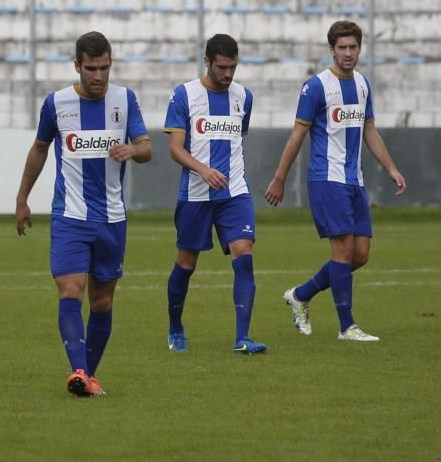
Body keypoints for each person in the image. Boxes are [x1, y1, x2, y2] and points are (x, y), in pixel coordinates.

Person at [15, 31, 152, 397]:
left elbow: (147, 148)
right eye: (91, 68)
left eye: (105, 68)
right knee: (70, 291)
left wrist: (132, 151)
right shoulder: (56, 103)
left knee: (102, 301)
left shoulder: (125, 100)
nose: (99, 76)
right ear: (77, 65)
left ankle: (87, 375)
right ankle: (78, 370)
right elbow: (40, 149)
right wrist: (22, 199)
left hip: (112, 219)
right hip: (70, 216)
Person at [264, 20, 406, 342]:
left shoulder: (362, 85)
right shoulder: (316, 87)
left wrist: (391, 168)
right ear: (331, 49)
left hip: (354, 180)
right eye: (341, 47)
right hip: (326, 178)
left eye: (353, 47)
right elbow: (297, 135)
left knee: (360, 255)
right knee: (342, 253)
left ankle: (300, 295)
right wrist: (279, 178)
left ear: (360, 48)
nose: (348, 53)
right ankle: (347, 327)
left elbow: (369, 129)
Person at [162, 34, 266, 355]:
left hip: (235, 193)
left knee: (244, 256)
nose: (228, 75)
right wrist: (203, 170)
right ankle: (176, 327)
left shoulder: (243, 97)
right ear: (207, 61)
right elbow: (174, 149)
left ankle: (242, 338)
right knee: (186, 263)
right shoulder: (184, 95)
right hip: (195, 195)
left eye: (233, 67)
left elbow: (237, 139)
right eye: (222, 67)